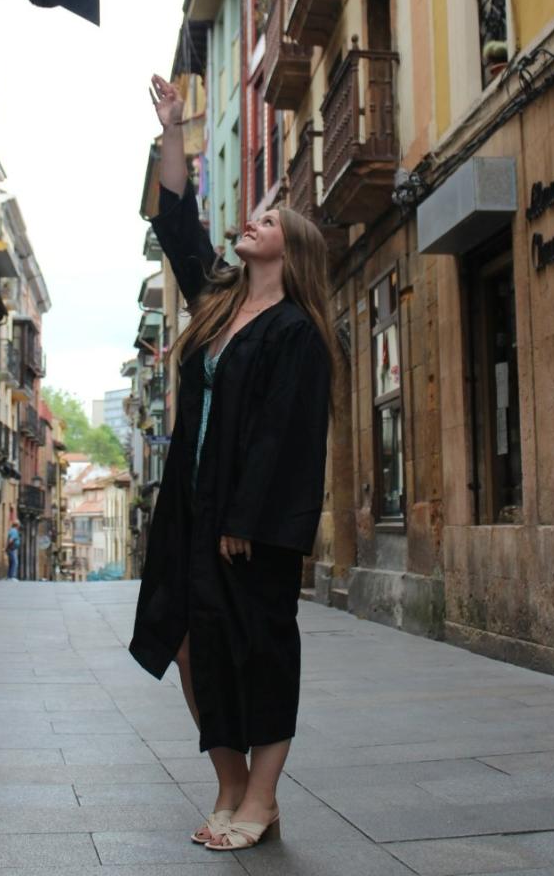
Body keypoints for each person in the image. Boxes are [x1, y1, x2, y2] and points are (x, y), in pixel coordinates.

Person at [129, 74, 335, 852]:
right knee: (186, 636)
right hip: (191, 500)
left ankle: (262, 795)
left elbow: (286, 435)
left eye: (267, 219)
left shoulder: (297, 332)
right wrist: (173, 127)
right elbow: (178, 225)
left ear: (292, 247)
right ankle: (225, 782)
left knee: (260, 645)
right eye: (252, 216)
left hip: (251, 517)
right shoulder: (218, 300)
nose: (251, 222)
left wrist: (248, 520)